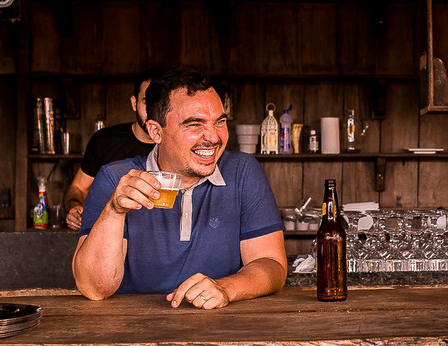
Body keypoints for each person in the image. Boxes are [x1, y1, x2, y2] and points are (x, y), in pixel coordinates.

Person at [72, 68, 286, 309]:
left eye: (220, 122)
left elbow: (271, 264)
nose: (213, 137)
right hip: (130, 331)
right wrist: (114, 211)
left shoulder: (243, 172)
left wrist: (227, 287)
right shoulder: (115, 179)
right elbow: (95, 289)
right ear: (155, 131)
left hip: (222, 328)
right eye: (195, 124)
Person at [63, 70, 159, 230]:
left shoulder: (174, 147)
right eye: (146, 102)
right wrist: (75, 207)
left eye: (160, 103)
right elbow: (78, 188)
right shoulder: (104, 141)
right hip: (110, 236)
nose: (154, 111)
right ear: (134, 103)